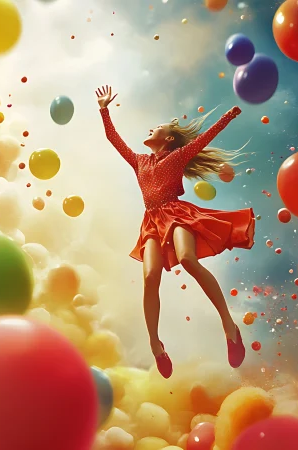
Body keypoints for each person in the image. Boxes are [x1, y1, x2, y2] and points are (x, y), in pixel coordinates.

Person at [96, 85, 255, 378]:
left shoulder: (178, 156)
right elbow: (113, 139)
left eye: (158, 127)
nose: (151, 128)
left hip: (176, 213)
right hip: (151, 223)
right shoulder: (139, 161)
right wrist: (104, 109)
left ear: (167, 139)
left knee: (187, 259)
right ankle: (156, 346)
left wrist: (227, 118)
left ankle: (229, 327)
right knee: (149, 276)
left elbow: (205, 139)